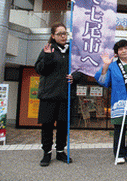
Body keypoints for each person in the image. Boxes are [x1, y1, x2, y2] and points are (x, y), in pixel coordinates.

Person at [95, 39, 127, 164]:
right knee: (119, 129)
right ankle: (119, 153)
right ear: (117, 52)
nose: (123, 51)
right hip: (119, 102)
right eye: (120, 49)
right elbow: (103, 82)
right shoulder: (112, 66)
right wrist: (105, 66)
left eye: (125, 48)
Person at [35, 22, 77, 167]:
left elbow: (80, 71)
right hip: (49, 96)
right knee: (47, 125)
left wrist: (75, 77)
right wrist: (47, 57)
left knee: (63, 126)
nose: (63, 36)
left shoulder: (72, 51)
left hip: (66, 96)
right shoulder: (48, 49)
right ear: (53, 36)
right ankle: (46, 153)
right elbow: (40, 70)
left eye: (65, 33)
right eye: (59, 34)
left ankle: (60, 151)